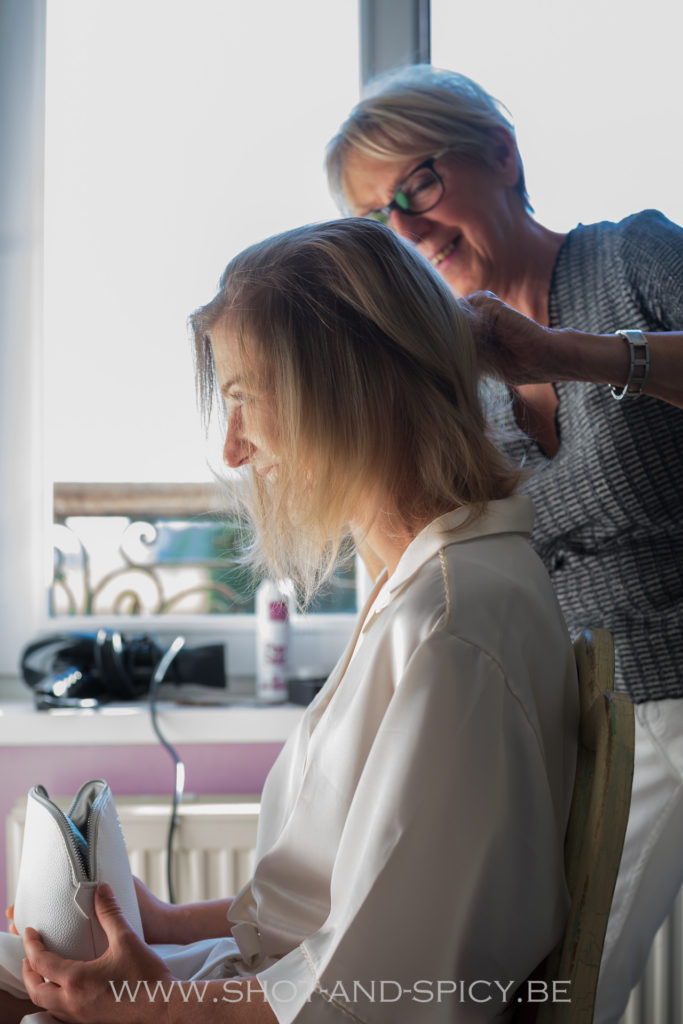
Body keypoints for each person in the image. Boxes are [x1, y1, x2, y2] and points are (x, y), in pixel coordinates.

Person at [2, 218, 578, 1022]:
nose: (234, 450)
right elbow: (343, 912)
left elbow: (380, 997)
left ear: (350, 391)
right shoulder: (423, 586)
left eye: (243, 401)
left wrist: (157, 1009)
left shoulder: (452, 628)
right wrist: (166, 927)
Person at [325, 64, 683, 1023]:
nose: (406, 228)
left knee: (560, 991)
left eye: (419, 185)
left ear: (501, 155)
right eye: (378, 218)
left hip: (665, 690)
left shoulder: (631, 257)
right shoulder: (457, 375)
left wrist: (564, 351)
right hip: (581, 713)